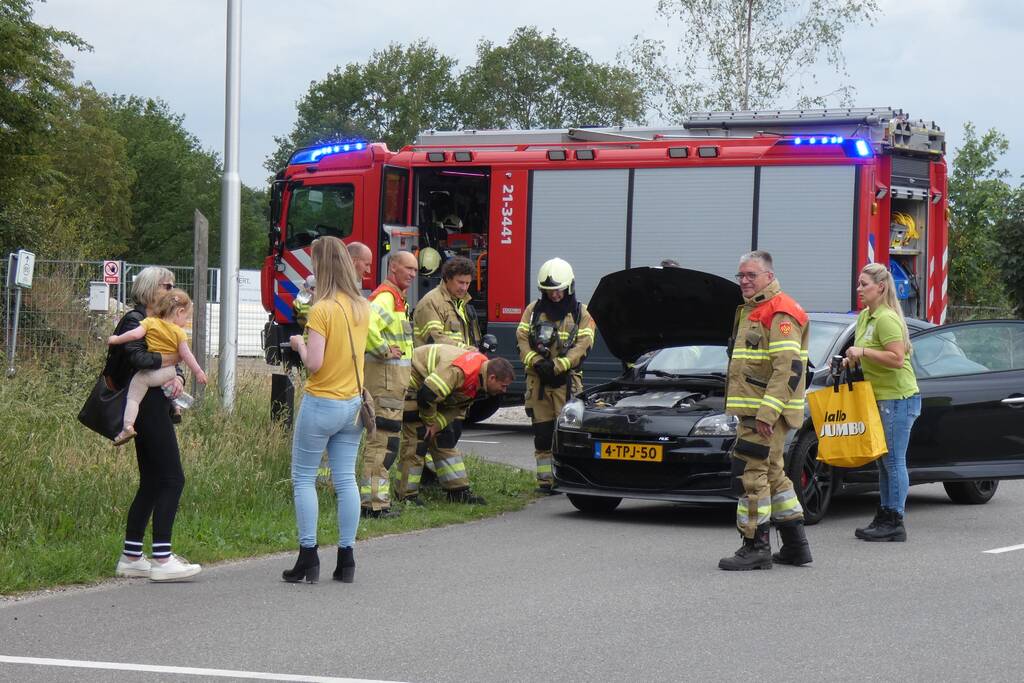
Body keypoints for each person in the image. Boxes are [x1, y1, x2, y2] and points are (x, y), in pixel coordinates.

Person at [282, 236, 370, 584]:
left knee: (304, 477)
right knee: (346, 479)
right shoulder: (362, 305)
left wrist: (299, 344)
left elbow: (315, 364)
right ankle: (346, 559)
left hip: (323, 402)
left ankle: (308, 556)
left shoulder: (322, 309)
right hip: (353, 405)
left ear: (321, 267)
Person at [107, 266, 201, 582]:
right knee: (173, 478)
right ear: (150, 289)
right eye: (166, 285)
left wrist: (179, 376)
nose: (172, 290)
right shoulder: (136, 321)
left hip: (155, 403)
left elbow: (174, 357)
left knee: (151, 480)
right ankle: (162, 558)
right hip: (146, 407)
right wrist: (173, 365)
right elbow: (138, 360)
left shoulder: (162, 324)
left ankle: (132, 556)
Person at [719, 250, 812, 570]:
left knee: (753, 477)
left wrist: (767, 415)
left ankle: (755, 546)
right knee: (773, 474)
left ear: (769, 277)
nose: (744, 281)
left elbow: (787, 370)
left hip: (764, 414)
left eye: (751, 275)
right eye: (740, 275)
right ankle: (796, 546)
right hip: (756, 412)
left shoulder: (780, 311)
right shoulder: (752, 310)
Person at [845, 262, 921, 542]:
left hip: (898, 397)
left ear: (881, 287)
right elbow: (867, 352)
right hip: (879, 397)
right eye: (859, 284)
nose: (859, 289)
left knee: (893, 461)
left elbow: (897, 359)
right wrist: (850, 358)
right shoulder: (866, 316)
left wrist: (862, 351)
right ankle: (885, 513)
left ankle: (895, 520)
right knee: (883, 462)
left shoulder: (887, 318)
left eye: (864, 284)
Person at [394, 346, 514, 505]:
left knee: (445, 437)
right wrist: (429, 422)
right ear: (492, 378)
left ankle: (458, 491)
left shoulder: (480, 377)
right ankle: (405, 495)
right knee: (418, 438)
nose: (504, 391)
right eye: (503, 386)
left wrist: (437, 426)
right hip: (412, 383)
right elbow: (426, 395)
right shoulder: (460, 371)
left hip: (433, 393)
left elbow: (456, 408)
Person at [516, 258, 595, 494]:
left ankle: (570, 478)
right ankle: (545, 481)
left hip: (566, 383)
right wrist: (537, 361)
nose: (554, 296)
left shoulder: (581, 313)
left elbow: (584, 344)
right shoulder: (532, 311)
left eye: (558, 291)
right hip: (538, 382)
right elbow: (520, 340)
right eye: (549, 292)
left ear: (569, 287)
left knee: (569, 434)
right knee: (542, 434)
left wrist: (560, 365)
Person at [107, 288, 208, 446]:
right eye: (186, 317)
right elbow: (186, 355)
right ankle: (176, 407)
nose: (186, 322)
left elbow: (133, 335)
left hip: (156, 370)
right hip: (169, 371)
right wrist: (198, 371)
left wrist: (116, 339)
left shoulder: (150, 322)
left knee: (135, 390)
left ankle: (127, 426)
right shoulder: (179, 333)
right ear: (179, 311)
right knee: (167, 385)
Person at [360, 250, 418, 519]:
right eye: (408, 268)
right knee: (381, 442)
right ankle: (373, 504)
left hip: (392, 386)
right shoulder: (385, 297)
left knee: (388, 442)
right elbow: (367, 326)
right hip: (384, 386)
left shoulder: (397, 299)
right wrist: (384, 349)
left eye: (415, 270)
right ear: (393, 267)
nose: (413, 274)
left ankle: (377, 501)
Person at [413, 256, 481, 349]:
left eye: (467, 283)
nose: (464, 288)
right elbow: (435, 338)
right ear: (448, 278)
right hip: (437, 363)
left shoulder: (462, 304)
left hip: (456, 362)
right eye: (460, 282)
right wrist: (466, 350)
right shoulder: (431, 301)